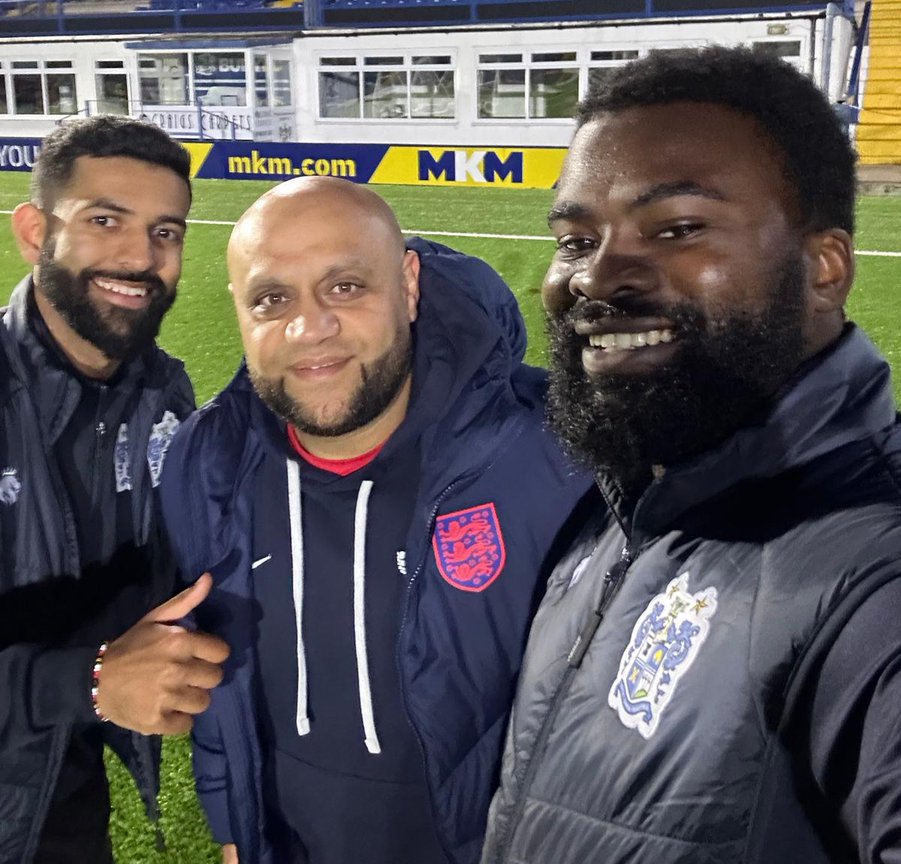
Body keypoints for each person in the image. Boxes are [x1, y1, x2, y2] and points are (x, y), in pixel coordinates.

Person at [481, 46, 901, 864]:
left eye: (675, 229)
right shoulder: (628, 499)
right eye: (574, 239)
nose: (595, 277)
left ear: (823, 268)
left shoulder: (872, 567)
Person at [160, 177, 591, 864]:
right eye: (272, 299)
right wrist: (232, 825)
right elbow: (222, 678)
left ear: (409, 283)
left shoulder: (555, 452)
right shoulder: (207, 463)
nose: (310, 329)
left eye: (345, 287)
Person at [0, 117, 229, 864]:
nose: (140, 257)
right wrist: (89, 683)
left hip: (63, 802)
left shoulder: (161, 394)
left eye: (166, 232)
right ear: (36, 233)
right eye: (105, 221)